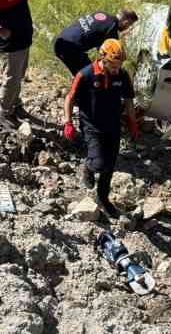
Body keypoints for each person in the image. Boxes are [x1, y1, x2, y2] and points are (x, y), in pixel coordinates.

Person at [61, 38, 139, 219]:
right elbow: (70, 98)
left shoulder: (122, 75)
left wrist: (133, 122)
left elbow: (128, 100)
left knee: (109, 166)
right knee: (98, 164)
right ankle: (88, 167)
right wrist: (68, 122)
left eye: (119, 65)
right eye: (112, 65)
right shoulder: (86, 75)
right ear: (102, 58)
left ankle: (103, 198)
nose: (116, 69)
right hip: (91, 125)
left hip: (113, 125)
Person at [53, 8, 139, 76]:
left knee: (83, 74)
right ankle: (81, 97)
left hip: (60, 41)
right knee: (91, 74)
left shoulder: (102, 14)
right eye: (129, 25)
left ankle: (79, 94)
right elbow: (111, 57)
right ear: (126, 22)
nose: (128, 28)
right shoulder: (112, 29)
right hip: (70, 46)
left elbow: (99, 45)